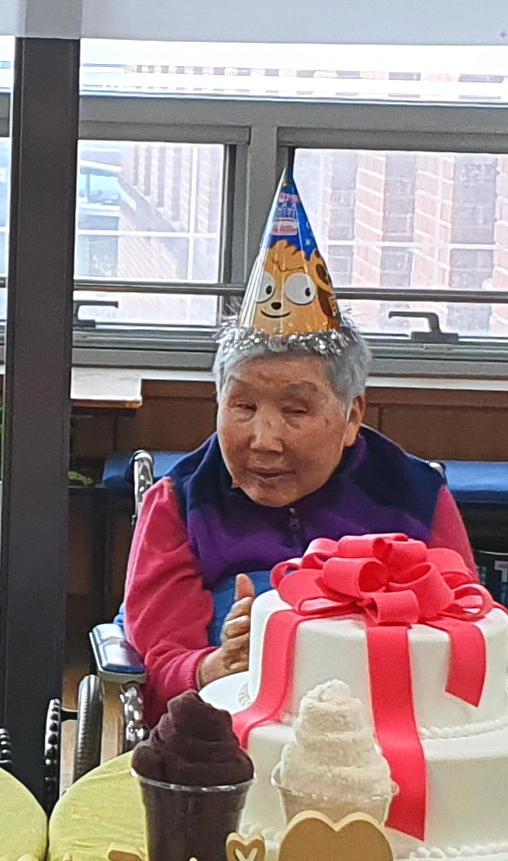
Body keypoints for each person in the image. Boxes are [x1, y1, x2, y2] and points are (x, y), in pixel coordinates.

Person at [123, 177, 475, 699]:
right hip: (231, 721)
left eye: (295, 410)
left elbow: (464, 627)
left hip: (385, 713)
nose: (264, 440)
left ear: (351, 416)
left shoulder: (414, 495)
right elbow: (160, 659)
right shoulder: (179, 501)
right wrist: (214, 668)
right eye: (243, 406)